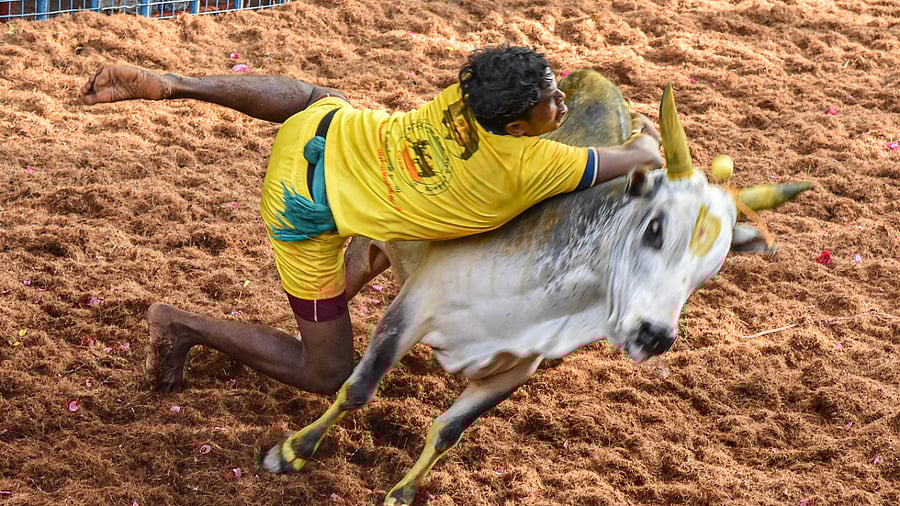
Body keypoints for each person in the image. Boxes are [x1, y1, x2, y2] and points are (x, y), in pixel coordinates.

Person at [81, 45, 663, 395]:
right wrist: (646, 132)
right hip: (302, 211)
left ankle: (177, 85)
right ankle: (182, 324)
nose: (562, 104)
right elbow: (642, 155)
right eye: (550, 102)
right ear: (514, 126)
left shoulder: (468, 96)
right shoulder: (528, 167)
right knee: (327, 370)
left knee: (318, 96)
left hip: (334, 134)